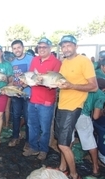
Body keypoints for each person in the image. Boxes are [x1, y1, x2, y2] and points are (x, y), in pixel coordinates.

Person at [56, 35, 98, 179]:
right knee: (64, 140)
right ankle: (62, 167)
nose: (66, 48)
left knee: (62, 144)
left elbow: (94, 87)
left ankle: (74, 174)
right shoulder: (64, 62)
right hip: (62, 105)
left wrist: (71, 86)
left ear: (76, 46)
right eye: (63, 46)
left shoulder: (84, 61)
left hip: (73, 107)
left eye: (69, 45)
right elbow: (62, 82)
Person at [22, 38, 61, 160]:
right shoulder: (34, 59)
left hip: (46, 101)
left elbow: (55, 82)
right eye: (40, 47)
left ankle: (44, 149)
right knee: (32, 125)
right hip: (33, 99)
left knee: (45, 128)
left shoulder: (56, 62)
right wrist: (25, 81)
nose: (42, 49)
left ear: (50, 48)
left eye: (44, 47)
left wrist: (41, 81)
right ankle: (34, 147)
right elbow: (31, 76)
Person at [72, 78, 105, 177]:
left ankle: (68, 166)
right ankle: (95, 168)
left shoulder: (84, 86)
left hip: (69, 113)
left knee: (68, 141)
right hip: (83, 117)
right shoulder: (100, 94)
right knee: (90, 143)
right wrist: (101, 112)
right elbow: (95, 116)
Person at [8, 40, 33, 151]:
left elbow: (33, 76)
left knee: (28, 118)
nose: (17, 50)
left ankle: (28, 141)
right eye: (14, 48)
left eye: (19, 47)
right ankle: (15, 137)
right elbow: (11, 77)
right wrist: (11, 84)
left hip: (27, 94)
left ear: (23, 48)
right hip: (16, 94)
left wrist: (23, 87)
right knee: (16, 116)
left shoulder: (31, 59)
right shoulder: (12, 62)